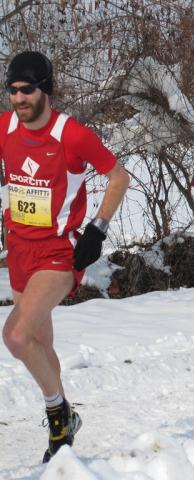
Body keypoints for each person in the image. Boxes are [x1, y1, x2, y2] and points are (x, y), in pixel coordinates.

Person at [0, 51, 129, 462]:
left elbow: (118, 177)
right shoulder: (4, 127)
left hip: (58, 253)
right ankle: (64, 420)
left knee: (16, 336)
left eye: (27, 89)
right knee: (40, 344)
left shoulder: (71, 134)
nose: (18, 98)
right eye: (12, 90)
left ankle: (58, 415)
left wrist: (98, 227)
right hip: (17, 249)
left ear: (46, 89)